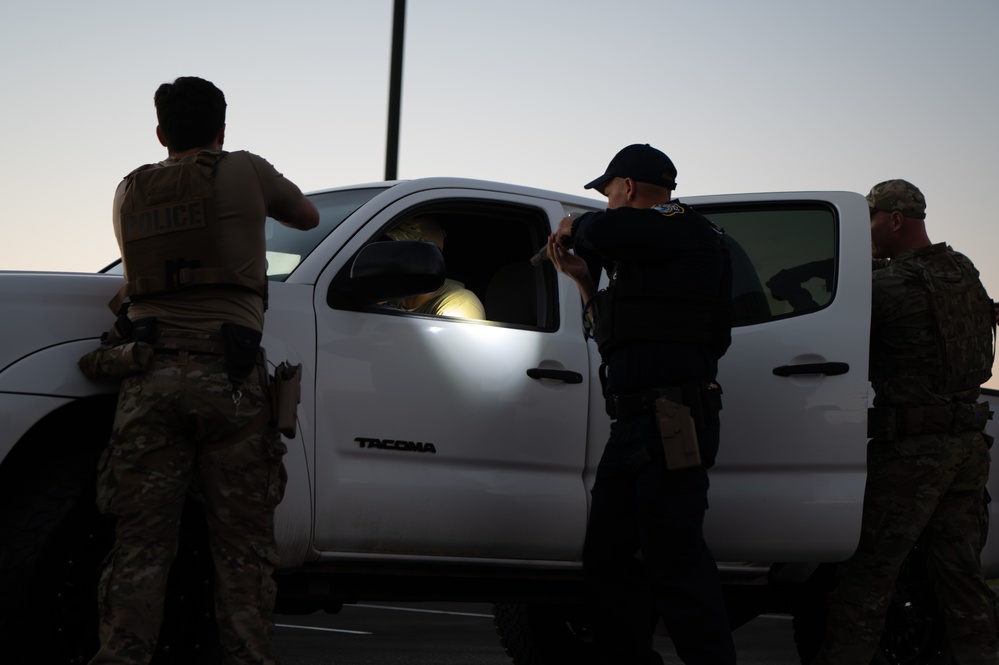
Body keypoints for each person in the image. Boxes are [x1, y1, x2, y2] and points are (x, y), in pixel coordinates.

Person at [90, 76, 319, 665]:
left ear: (161, 132)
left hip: (148, 381)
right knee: (242, 551)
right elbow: (307, 216)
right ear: (223, 127)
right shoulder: (245, 169)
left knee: (139, 546)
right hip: (231, 382)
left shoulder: (127, 190)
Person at [548, 143, 736, 664]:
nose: (606, 204)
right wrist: (585, 281)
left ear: (627, 188)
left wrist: (574, 227)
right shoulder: (653, 253)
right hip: (632, 423)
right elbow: (613, 340)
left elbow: (604, 230)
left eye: (608, 193)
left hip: (673, 418)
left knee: (674, 559)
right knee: (608, 559)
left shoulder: (682, 224)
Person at [811, 180, 998, 663]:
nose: (866, 232)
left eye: (870, 220)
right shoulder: (964, 273)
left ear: (895, 219)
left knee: (868, 577)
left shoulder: (889, 285)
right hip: (968, 445)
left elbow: (834, 338)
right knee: (961, 581)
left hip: (912, 452)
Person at [384, 216, 485, 319]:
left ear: (430, 258)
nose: (386, 257)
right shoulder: (393, 295)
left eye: (400, 252)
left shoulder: (460, 304)